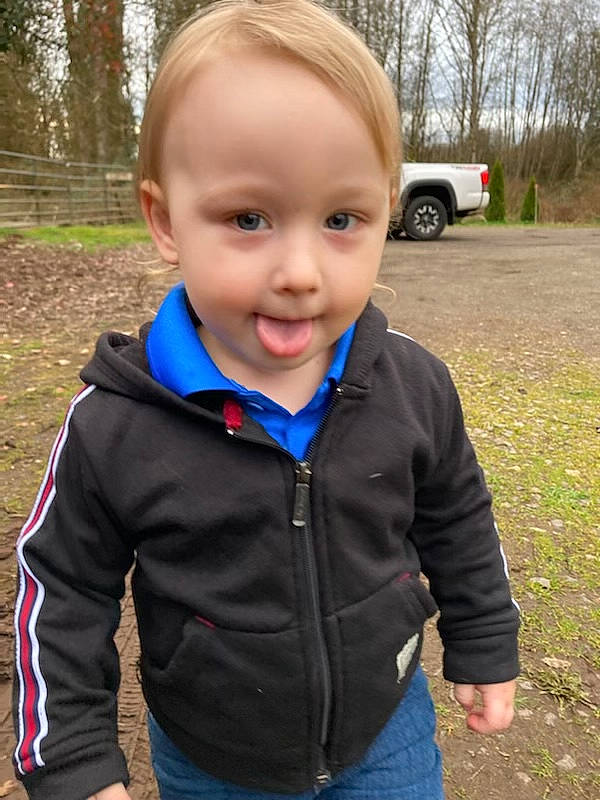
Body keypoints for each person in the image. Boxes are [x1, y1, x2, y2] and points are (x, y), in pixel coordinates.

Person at [12, 1, 520, 798]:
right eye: (248, 218)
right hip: (212, 754)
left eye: (342, 219)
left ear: (388, 211)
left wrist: (485, 636)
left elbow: (458, 516)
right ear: (166, 220)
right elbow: (62, 587)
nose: (299, 271)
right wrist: (70, 757)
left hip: (384, 732)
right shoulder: (115, 424)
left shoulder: (412, 386)